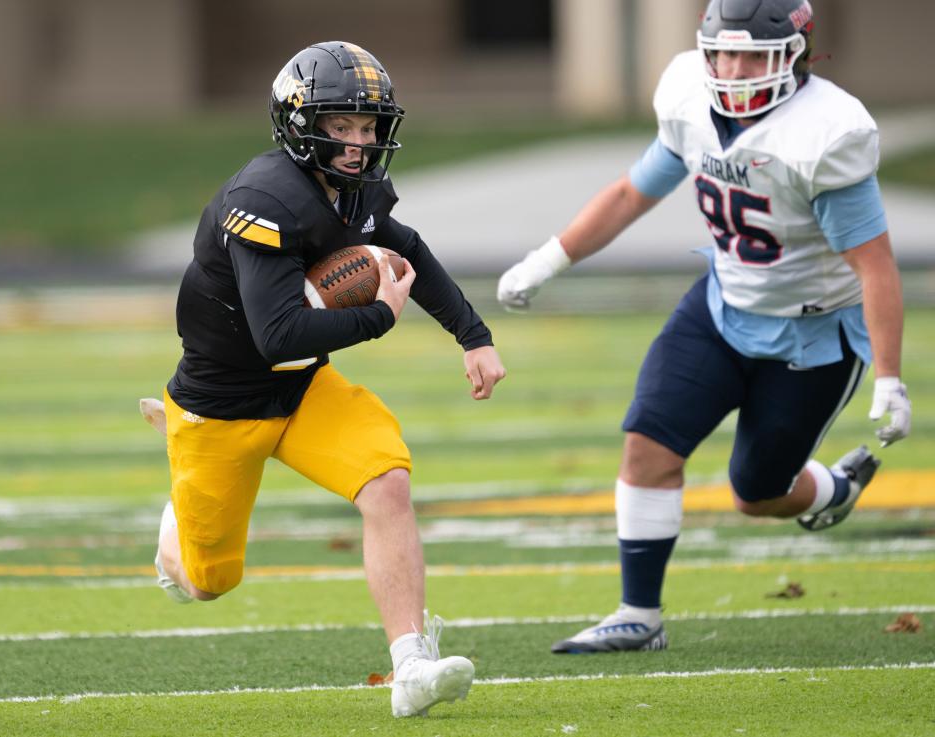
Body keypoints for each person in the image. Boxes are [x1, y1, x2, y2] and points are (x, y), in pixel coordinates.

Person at [497, 0, 911, 653]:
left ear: (794, 54)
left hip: (810, 337)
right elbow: (634, 191)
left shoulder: (826, 132)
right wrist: (548, 259)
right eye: (721, 52)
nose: (732, 69)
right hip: (720, 308)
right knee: (647, 446)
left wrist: (888, 376)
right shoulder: (691, 96)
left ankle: (831, 486)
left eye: (751, 54)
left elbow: (875, 265)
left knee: (757, 493)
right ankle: (640, 613)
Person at [139, 41, 506, 716]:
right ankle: (175, 533)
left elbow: (407, 247)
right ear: (298, 121)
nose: (358, 143)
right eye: (341, 126)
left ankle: (410, 667)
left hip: (303, 389)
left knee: (387, 479)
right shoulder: (264, 198)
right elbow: (276, 334)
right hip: (222, 404)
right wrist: (377, 317)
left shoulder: (358, 187)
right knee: (209, 580)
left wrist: (472, 334)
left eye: (368, 127)